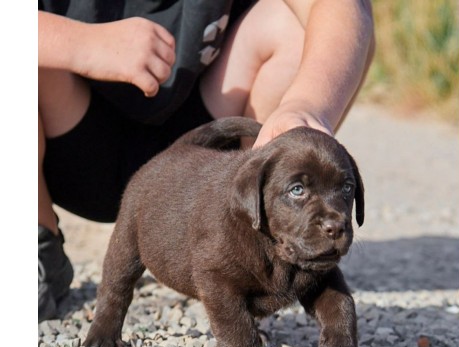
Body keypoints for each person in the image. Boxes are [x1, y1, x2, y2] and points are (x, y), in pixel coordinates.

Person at [38, 0, 375, 321]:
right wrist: (80, 43)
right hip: (68, 139)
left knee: (303, 26)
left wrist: (305, 103)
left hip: (211, 161)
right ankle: (36, 243)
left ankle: (260, 244)